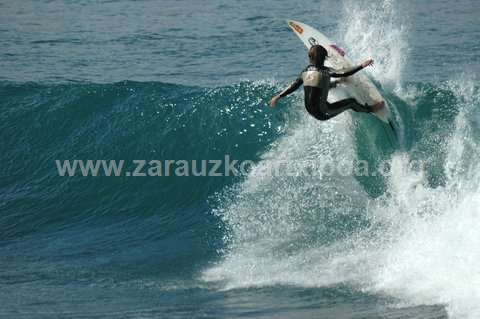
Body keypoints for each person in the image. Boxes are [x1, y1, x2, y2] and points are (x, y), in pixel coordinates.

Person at [269, 45, 382, 121]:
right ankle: (371, 109)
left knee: (318, 83)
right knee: (351, 102)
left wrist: (277, 97)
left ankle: (337, 83)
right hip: (322, 113)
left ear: (310, 57)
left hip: (310, 109)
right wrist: (362, 65)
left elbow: (293, 86)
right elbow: (344, 72)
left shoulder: (305, 72)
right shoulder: (326, 71)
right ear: (324, 58)